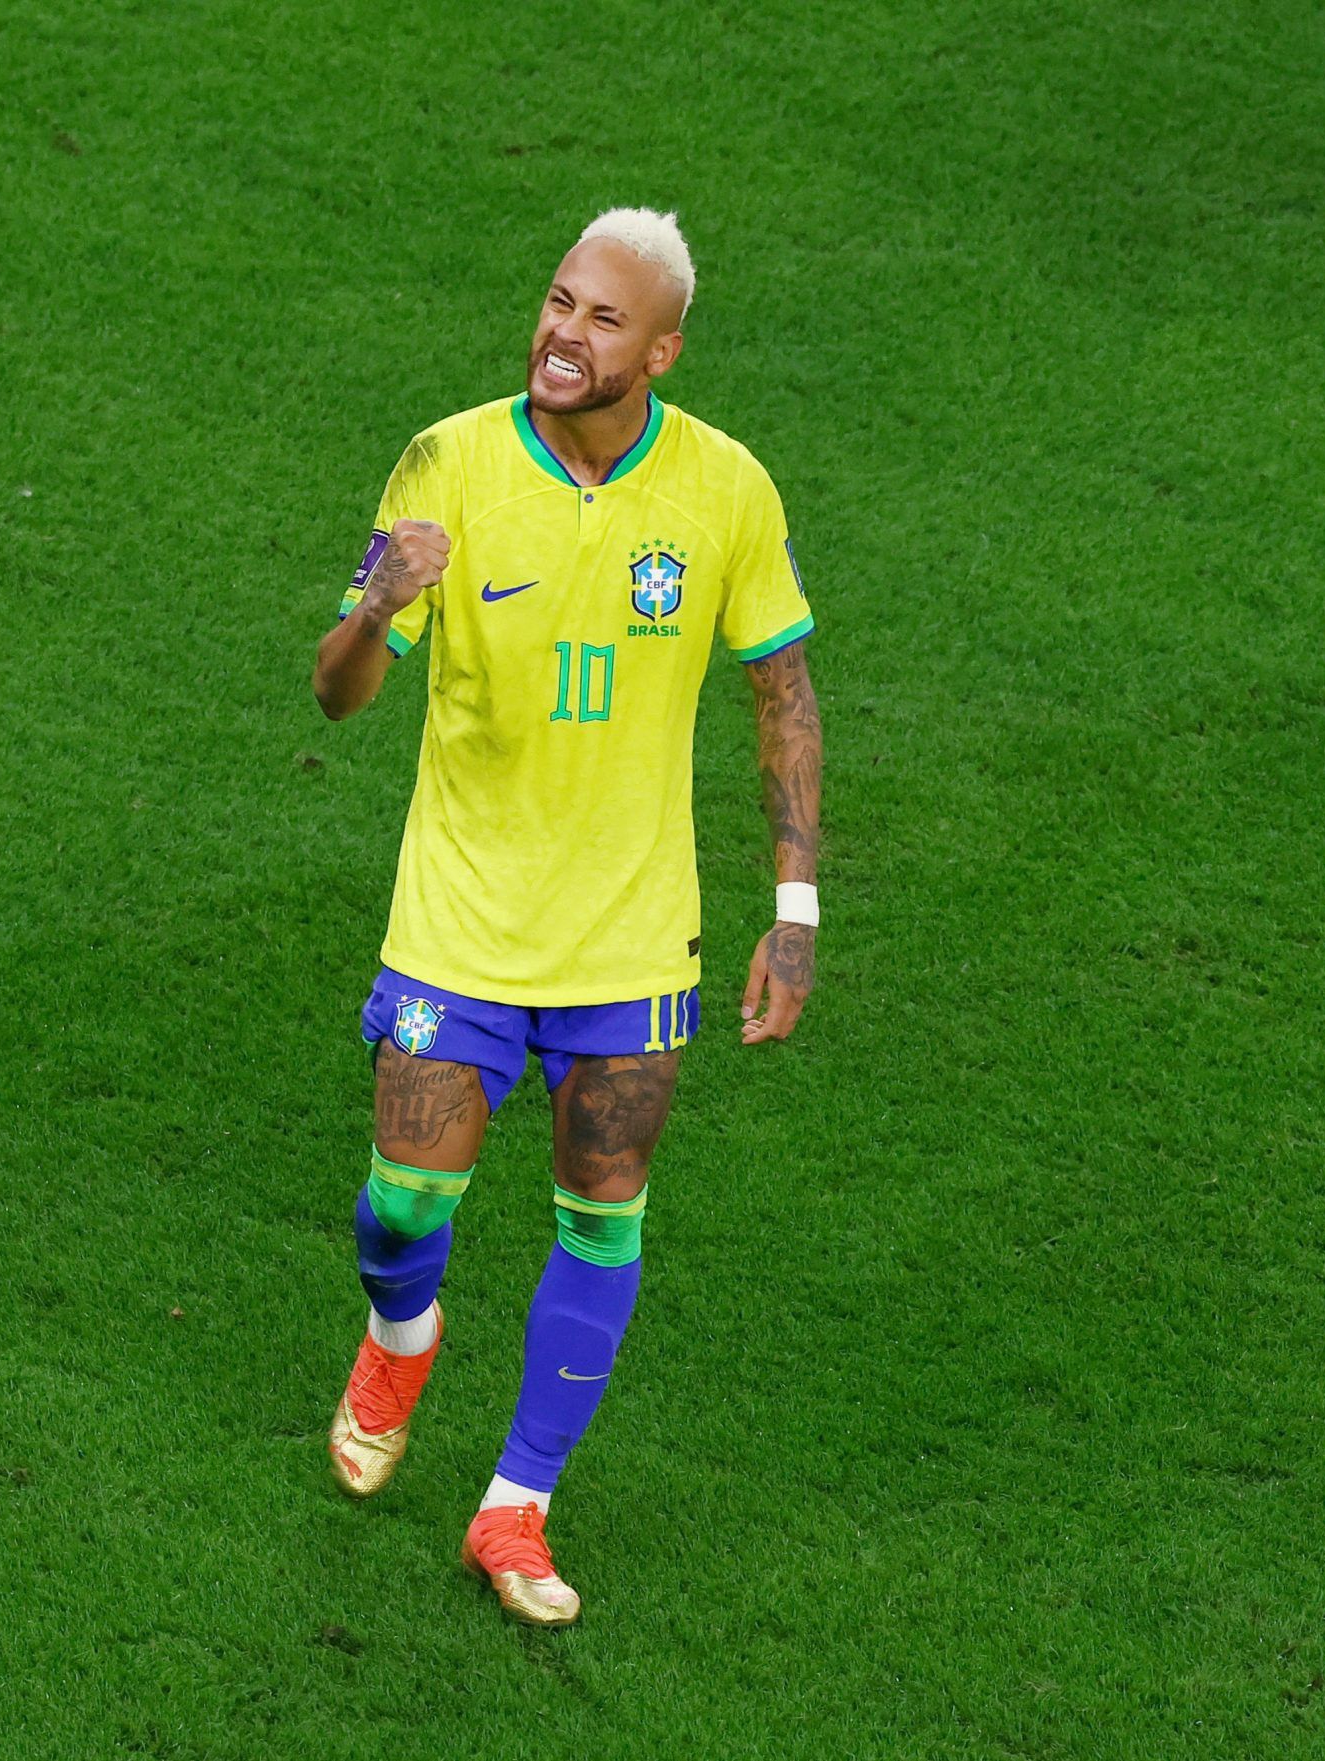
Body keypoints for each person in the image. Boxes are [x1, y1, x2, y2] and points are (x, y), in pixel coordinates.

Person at [310, 207, 824, 1627]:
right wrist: (374, 607)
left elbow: (783, 692)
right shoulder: (450, 460)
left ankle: (515, 1502)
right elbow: (338, 692)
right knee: (402, 1204)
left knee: (605, 1209)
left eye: (602, 319)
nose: (563, 333)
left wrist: (795, 910)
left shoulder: (725, 491)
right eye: (556, 301)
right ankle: (400, 1337)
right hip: (458, 925)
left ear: (662, 348)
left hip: (630, 939)